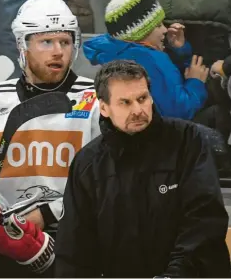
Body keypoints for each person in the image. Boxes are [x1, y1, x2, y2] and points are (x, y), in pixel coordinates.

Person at [0, 0, 101, 278]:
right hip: (8, 246)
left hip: (80, 244)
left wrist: (48, 214)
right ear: (21, 46)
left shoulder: (96, 101)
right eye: (46, 42)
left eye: (65, 41)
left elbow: (109, 180)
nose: (58, 52)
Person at [55, 59, 231, 277]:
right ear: (104, 107)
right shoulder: (88, 163)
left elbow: (205, 219)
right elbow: (73, 247)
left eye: (142, 98)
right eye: (125, 103)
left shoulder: (187, 140)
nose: (138, 110)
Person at [82, 0, 231, 140]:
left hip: (146, 138)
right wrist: (195, 82)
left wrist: (180, 50)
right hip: (169, 139)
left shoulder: (119, 52)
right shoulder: (151, 60)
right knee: (220, 114)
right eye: (158, 25)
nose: (165, 30)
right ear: (140, 33)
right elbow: (179, 112)